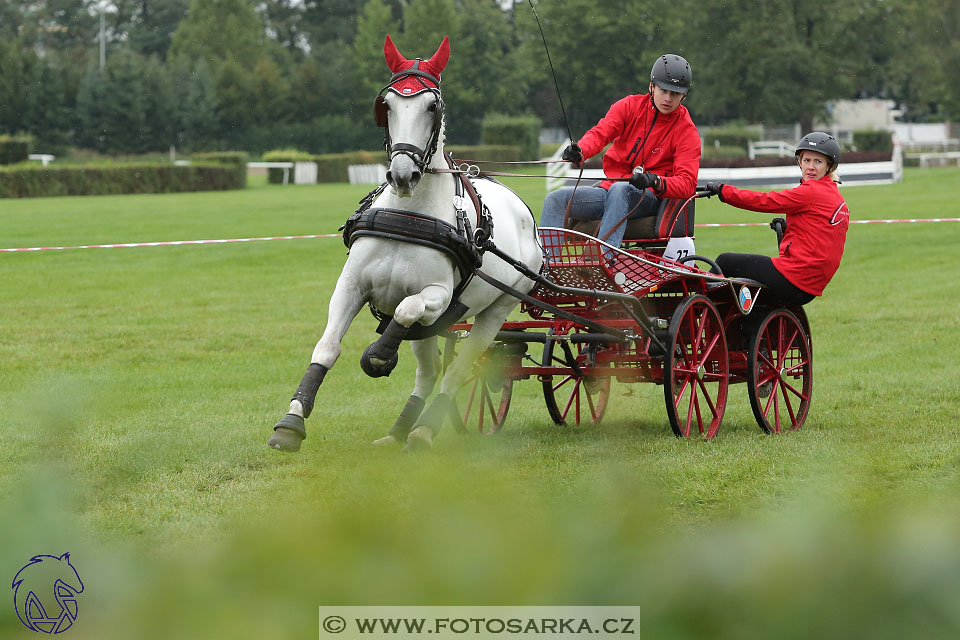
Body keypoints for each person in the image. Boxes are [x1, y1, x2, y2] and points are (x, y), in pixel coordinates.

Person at [540, 54, 701, 253]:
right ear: (651, 87)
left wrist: (655, 181)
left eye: (675, 94)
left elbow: (687, 183)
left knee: (620, 190)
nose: (668, 98)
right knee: (556, 199)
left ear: (684, 95)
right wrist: (580, 150)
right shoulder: (629, 106)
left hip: (649, 198)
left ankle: (604, 259)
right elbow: (601, 133)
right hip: (610, 191)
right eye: (663, 90)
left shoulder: (687, 131)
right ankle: (547, 268)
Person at [701, 132, 850, 305]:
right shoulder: (837, 199)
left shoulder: (811, 192)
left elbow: (764, 201)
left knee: (724, 261)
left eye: (818, 162)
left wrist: (723, 191)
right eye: (806, 160)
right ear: (799, 162)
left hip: (795, 278)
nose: (810, 166)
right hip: (810, 284)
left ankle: (699, 307)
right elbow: (818, 238)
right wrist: (787, 229)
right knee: (746, 279)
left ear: (828, 167)